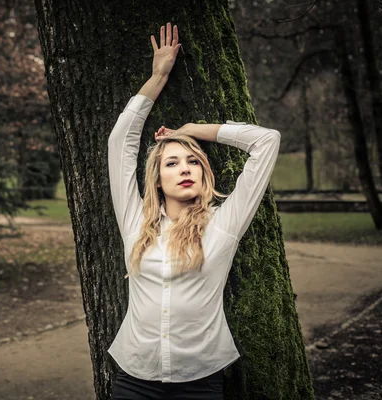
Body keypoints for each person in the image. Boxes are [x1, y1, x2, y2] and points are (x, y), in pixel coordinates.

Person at [107, 22, 281, 400]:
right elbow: (120, 141)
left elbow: (267, 141)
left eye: (192, 162)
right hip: (134, 378)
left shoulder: (225, 223)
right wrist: (157, 78)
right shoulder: (135, 221)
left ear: (204, 173)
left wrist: (195, 130)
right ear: (156, 180)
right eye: (171, 163)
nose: (184, 168)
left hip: (199, 382)